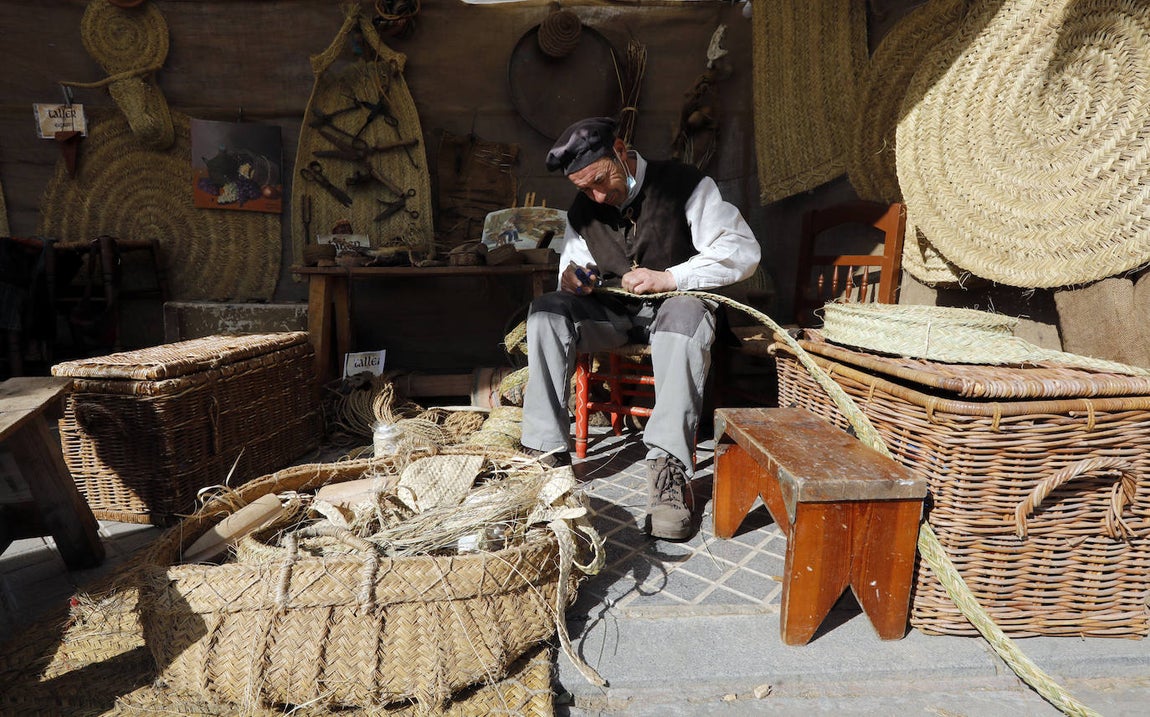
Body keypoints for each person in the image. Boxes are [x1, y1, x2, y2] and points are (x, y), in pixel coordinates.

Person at [520, 116, 760, 540]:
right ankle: (546, 457)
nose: (596, 195)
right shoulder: (584, 210)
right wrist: (572, 279)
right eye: (584, 189)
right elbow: (572, 265)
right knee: (546, 313)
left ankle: (668, 470)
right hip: (612, 316)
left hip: (675, 309)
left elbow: (741, 251)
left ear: (620, 149)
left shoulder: (686, 184)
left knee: (684, 316)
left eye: (600, 180)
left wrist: (672, 279)